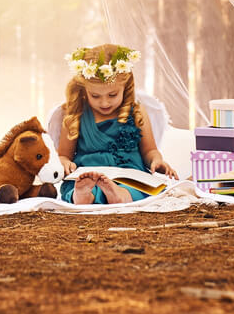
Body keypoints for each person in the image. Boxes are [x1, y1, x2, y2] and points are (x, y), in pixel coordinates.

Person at [57, 43, 178, 204]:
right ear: (84, 90)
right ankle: (82, 195)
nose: (104, 102)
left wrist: (157, 161)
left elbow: (150, 151)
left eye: (112, 95)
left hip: (128, 174)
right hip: (88, 173)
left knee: (137, 189)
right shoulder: (75, 114)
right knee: (79, 185)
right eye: (95, 96)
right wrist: (64, 163)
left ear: (125, 87)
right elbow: (64, 154)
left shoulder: (136, 112)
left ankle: (118, 194)